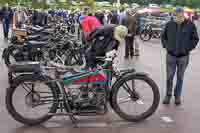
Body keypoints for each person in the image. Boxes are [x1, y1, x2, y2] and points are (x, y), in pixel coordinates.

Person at [161, 7, 199, 105]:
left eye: (181, 17)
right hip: (171, 55)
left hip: (183, 56)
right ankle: (168, 95)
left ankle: (177, 96)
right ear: (174, 16)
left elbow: (195, 39)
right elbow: (163, 37)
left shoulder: (190, 25)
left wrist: (187, 48)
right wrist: (167, 46)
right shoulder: (169, 24)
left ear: (183, 15)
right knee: (169, 76)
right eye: (177, 17)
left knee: (180, 77)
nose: (179, 19)